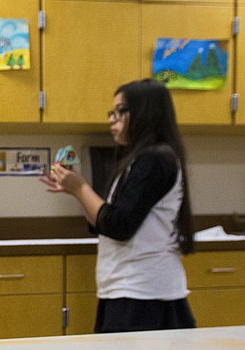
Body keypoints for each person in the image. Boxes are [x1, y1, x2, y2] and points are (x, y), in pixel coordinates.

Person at [40, 78, 196, 333]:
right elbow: (105, 222)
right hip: (130, 289)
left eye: (120, 111)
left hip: (144, 292)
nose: (112, 119)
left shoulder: (155, 160)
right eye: (111, 112)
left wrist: (80, 187)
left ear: (145, 113)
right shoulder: (138, 160)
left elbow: (119, 225)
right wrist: (76, 192)